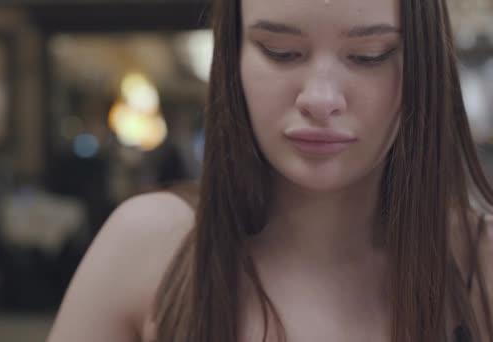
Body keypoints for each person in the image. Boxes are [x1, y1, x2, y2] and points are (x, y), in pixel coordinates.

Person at [46, 0, 493, 341]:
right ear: (232, 59)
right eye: (280, 52)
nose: (319, 99)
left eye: (369, 55)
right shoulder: (149, 245)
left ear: (424, 66)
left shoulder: (479, 262)